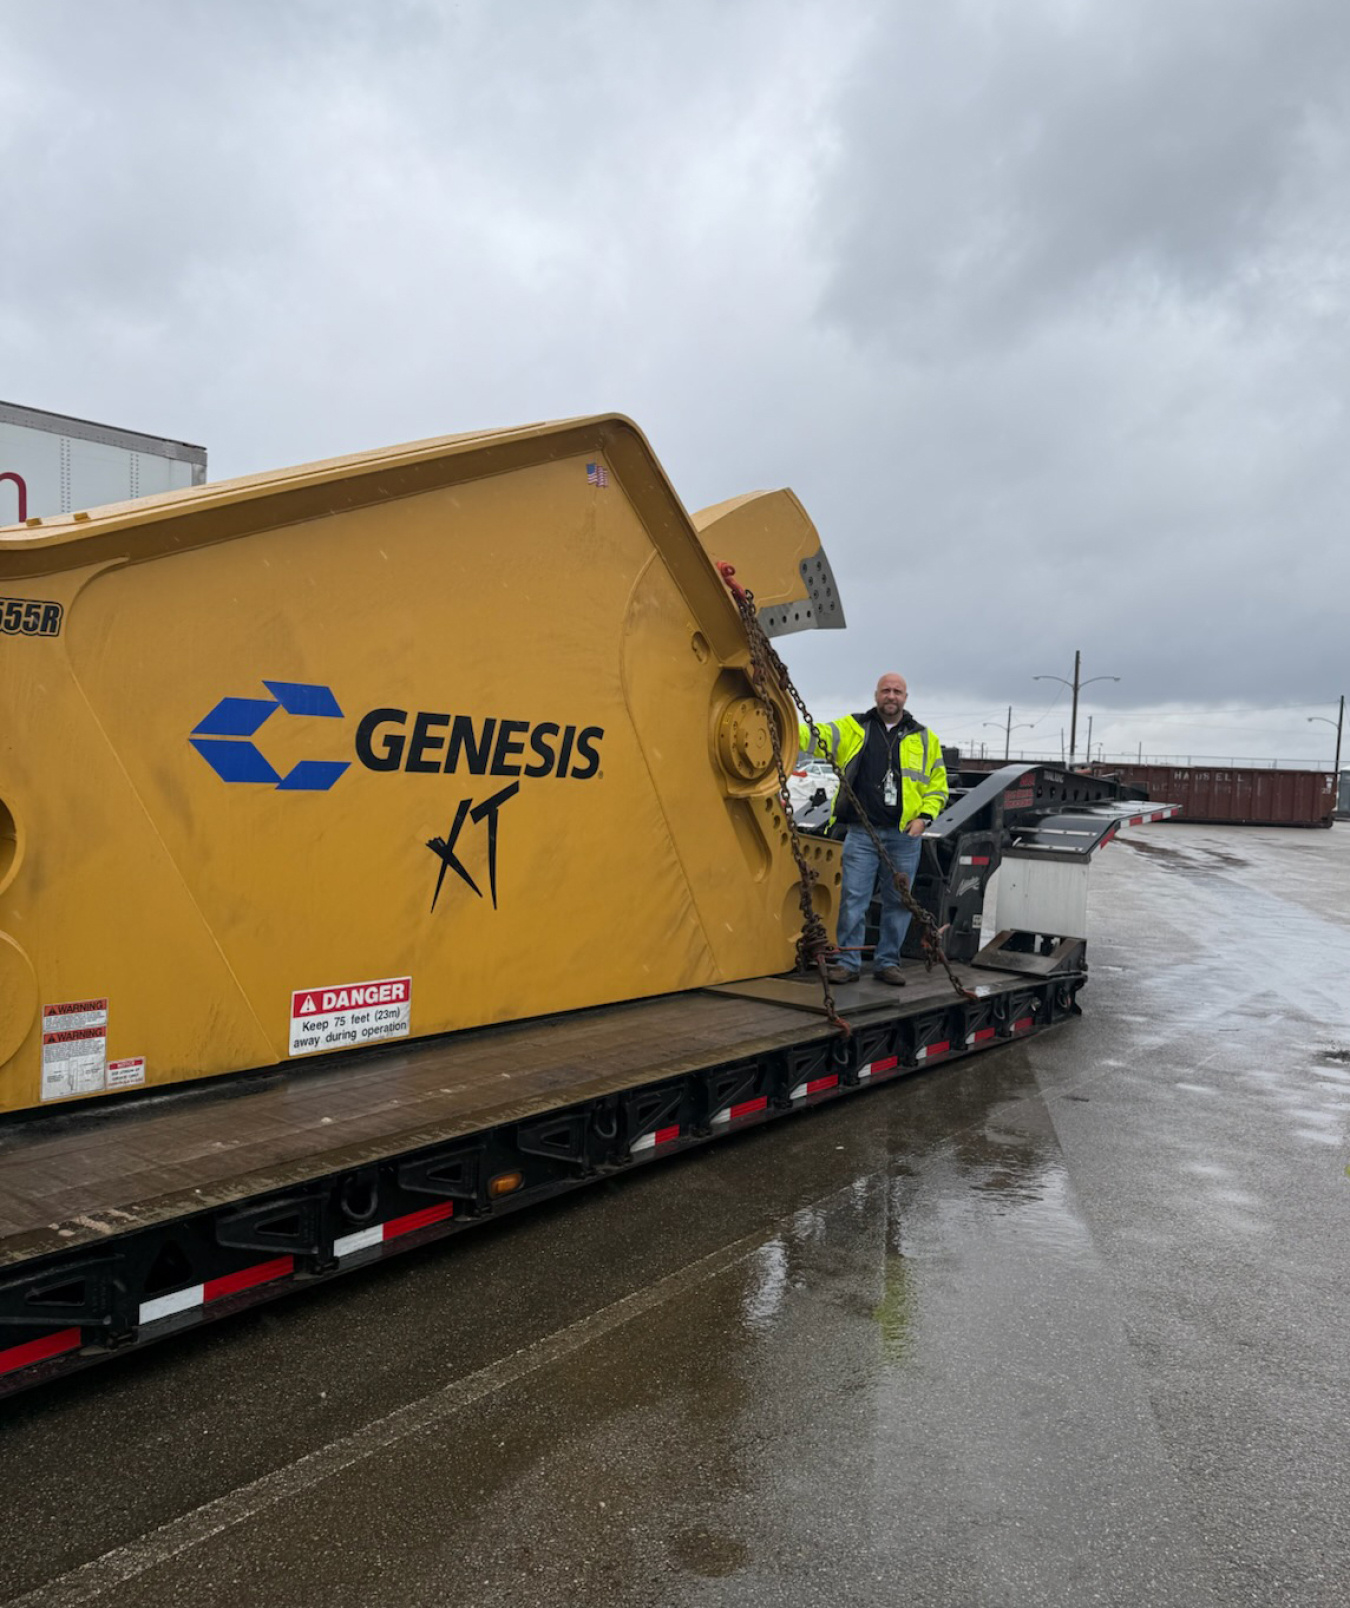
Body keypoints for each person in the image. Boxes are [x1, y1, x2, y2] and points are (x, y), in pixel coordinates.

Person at [798, 674, 948, 985]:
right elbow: (815, 735)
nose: (890, 696)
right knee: (855, 898)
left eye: (897, 691)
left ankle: (887, 963)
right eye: (885, 691)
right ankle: (849, 962)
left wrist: (924, 819)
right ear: (876, 695)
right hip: (862, 833)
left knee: (898, 902)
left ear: (905, 697)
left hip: (905, 836)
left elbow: (938, 787)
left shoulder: (924, 738)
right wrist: (778, 717)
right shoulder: (854, 728)